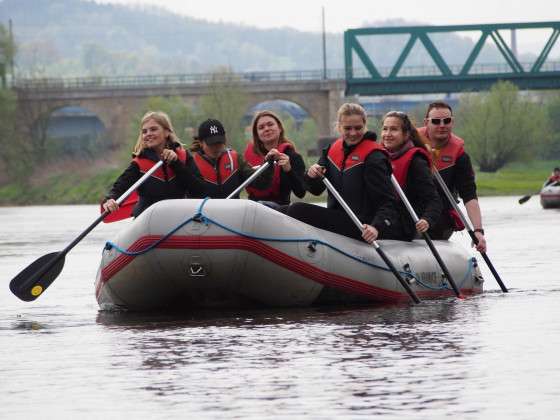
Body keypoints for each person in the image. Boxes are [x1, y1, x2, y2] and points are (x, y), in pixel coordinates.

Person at [285, 103, 404, 243]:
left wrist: (376, 227)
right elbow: (316, 191)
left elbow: (388, 202)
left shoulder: (374, 157)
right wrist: (311, 176)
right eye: (348, 128)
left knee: (297, 209)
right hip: (337, 217)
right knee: (282, 208)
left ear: (365, 125)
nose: (353, 133)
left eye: (358, 128)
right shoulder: (331, 150)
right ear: (339, 127)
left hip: (362, 225)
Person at [418, 101, 486, 252]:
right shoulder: (410, 142)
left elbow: (469, 195)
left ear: (452, 122)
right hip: (410, 212)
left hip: (440, 218)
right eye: (436, 121)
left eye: (446, 121)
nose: (442, 125)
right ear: (426, 122)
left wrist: (478, 231)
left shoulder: (460, 156)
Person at [102, 111, 194, 217]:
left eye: (153, 129)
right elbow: (119, 188)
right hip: (148, 219)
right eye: (144, 131)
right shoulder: (138, 164)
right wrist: (110, 199)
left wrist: (176, 163)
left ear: (167, 132)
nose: (148, 134)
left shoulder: (184, 157)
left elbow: (197, 188)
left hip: (180, 216)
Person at [380, 111, 442, 241]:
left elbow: (433, 200)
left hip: (402, 224)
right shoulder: (377, 158)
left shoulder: (416, 162)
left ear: (406, 134)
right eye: (385, 129)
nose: (387, 134)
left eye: (394, 129)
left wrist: (427, 220)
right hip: (381, 218)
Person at [188, 118, 282, 198]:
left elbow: (262, 184)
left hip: (232, 214)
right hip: (202, 215)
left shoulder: (236, 159)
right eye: (211, 144)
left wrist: (268, 164)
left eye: (219, 143)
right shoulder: (191, 164)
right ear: (201, 142)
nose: (216, 148)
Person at [244, 110, 306, 207]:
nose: (266, 129)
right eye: (261, 127)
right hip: (253, 207)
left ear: (280, 128)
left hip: (280, 209)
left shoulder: (293, 157)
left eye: (270, 124)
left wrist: (288, 170)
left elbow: (301, 193)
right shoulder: (246, 158)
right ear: (257, 134)